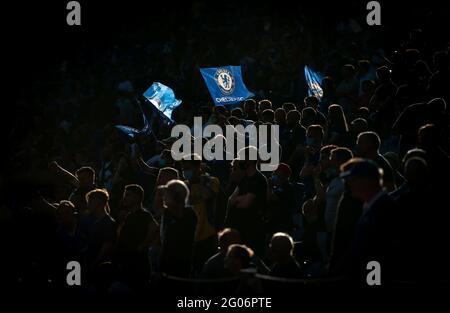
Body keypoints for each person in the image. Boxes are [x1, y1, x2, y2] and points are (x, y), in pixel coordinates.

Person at [339, 159, 398, 283]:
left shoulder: (384, 207)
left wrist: (373, 281)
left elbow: (380, 251)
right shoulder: (372, 205)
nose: (349, 183)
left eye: (353, 179)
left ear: (367, 181)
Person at [181, 154, 220, 274]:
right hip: (188, 236)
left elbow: (206, 195)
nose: (185, 172)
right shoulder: (184, 185)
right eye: (183, 169)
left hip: (206, 234)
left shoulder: (211, 180)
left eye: (188, 168)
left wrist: (203, 178)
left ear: (197, 168)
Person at [115, 184, 159, 287]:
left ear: (138, 197)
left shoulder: (144, 215)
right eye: (125, 195)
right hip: (127, 263)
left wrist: (142, 246)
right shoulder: (129, 215)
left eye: (128, 195)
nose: (124, 198)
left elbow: (155, 228)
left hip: (138, 266)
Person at [227, 147, 267, 255]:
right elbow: (230, 200)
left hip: (252, 229)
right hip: (240, 228)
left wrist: (238, 199)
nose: (239, 161)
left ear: (248, 160)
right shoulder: (244, 178)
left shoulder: (258, 179)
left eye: (241, 158)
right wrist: (242, 198)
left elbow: (245, 204)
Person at [158, 179, 197, 278]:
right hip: (165, 262)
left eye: (167, 194)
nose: (164, 197)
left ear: (177, 197)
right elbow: (157, 207)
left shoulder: (189, 214)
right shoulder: (168, 213)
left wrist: (175, 197)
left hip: (180, 266)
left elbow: (178, 213)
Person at [84, 189, 117, 272]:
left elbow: (105, 249)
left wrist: (93, 265)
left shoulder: (109, 223)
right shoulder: (91, 220)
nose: (88, 205)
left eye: (90, 202)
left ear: (99, 203)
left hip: (99, 268)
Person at [267, 163, 296, 234]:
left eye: (276, 171)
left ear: (282, 174)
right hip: (273, 224)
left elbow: (271, 197)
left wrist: (269, 186)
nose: (273, 173)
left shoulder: (287, 187)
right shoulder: (276, 187)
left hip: (282, 225)